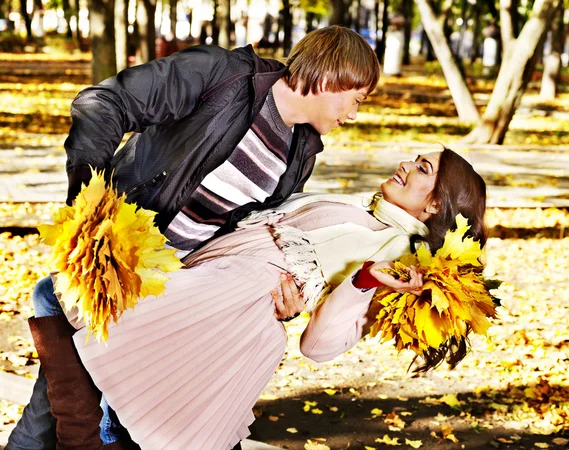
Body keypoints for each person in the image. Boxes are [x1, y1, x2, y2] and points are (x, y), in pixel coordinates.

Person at [7, 25, 380, 450]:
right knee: (62, 410)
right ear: (334, 79)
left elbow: (253, 240)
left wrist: (285, 304)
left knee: (81, 412)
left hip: (170, 299)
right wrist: (86, 207)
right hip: (111, 267)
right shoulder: (222, 76)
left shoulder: (300, 155)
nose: (353, 114)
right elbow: (105, 102)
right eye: (356, 99)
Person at [24, 148, 487, 449]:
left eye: (422, 168)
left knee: (68, 302)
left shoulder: (398, 258)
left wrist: (363, 281)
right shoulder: (372, 217)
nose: (406, 163)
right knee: (98, 347)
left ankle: (77, 437)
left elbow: (319, 346)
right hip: (211, 287)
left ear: (433, 207)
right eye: (416, 158)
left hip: (228, 305)